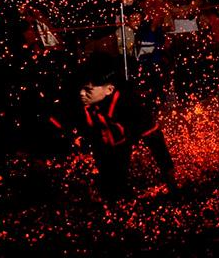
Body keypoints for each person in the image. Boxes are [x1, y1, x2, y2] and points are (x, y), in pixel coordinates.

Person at [61, 55, 179, 200]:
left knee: (120, 182)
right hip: (104, 142)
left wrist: (171, 182)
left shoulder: (131, 106)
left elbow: (156, 142)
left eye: (88, 90)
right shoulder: (81, 105)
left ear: (109, 89)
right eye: (81, 89)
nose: (82, 93)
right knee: (109, 186)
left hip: (125, 137)